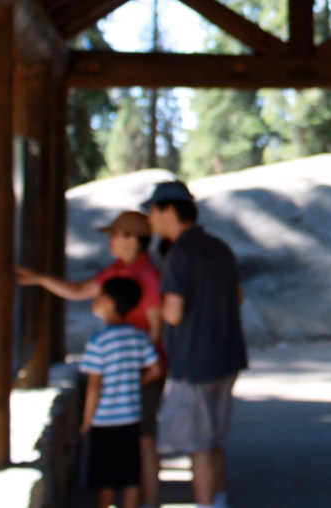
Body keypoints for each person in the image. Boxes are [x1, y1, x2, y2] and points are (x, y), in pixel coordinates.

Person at [17, 210, 166, 508]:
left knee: (144, 440)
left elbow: (156, 329)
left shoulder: (148, 276)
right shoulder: (116, 271)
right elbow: (78, 290)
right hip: (127, 368)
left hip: (140, 370)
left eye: (115, 235)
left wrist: (130, 368)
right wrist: (39, 278)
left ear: (132, 239)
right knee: (132, 446)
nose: (109, 240)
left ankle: (149, 503)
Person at [144, 180, 247, 508]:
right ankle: (220, 501)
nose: (150, 219)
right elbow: (239, 296)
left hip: (195, 363)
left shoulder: (179, 253)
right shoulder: (219, 247)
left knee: (199, 446)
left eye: (153, 211)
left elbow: (173, 314)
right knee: (216, 441)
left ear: (169, 210)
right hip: (228, 357)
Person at [80, 276, 163, 508]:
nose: (94, 300)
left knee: (105, 479)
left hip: (105, 420)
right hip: (132, 417)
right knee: (130, 477)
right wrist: (133, 384)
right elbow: (155, 369)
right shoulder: (138, 336)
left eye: (99, 296)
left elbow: (94, 385)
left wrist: (87, 420)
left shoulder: (99, 340)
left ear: (109, 302)